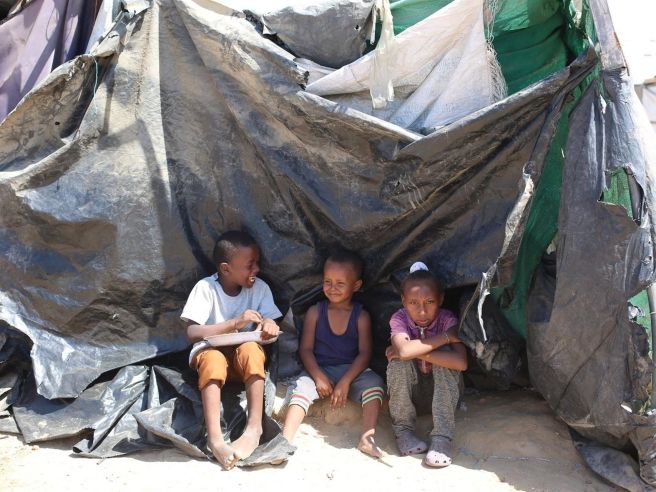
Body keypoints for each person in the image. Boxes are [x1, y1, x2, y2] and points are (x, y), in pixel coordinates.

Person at [181, 230, 282, 470]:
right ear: (226, 269)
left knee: (251, 349)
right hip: (212, 361)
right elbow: (192, 332)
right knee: (213, 358)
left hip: (241, 364)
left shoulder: (260, 288)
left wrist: (270, 324)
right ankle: (215, 439)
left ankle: (254, 427)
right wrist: (234, 323)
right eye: (250, 265)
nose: (256, 269)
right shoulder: (206, 288)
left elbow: (272, 319)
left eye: (257, 263)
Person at [282, 249, 385, 458]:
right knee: (301, 388)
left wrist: (346, 381)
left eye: (340, 283)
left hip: (352, 372)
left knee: (375, 383)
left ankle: (367, 438)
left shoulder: (361, 316)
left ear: (356, 285)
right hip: (319, 369)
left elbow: (365, 354)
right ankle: (284, 440)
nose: (332, 288)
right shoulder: (315, 312)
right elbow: (305, 349)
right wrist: (319, 377)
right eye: (327, 282)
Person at [385, 262, 467, 468]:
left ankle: (442, 438)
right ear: (403, 301)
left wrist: (415, 351)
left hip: (445, 395)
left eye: (430, 301)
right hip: (413, 396)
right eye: (413, 302)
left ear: (441, 299)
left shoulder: (447, 320)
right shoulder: (399, 319)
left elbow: (461, 363)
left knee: (445, 359)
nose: (422, 311)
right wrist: (445, 338)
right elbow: (404, 353)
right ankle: (403, 431)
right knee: (398, 364)